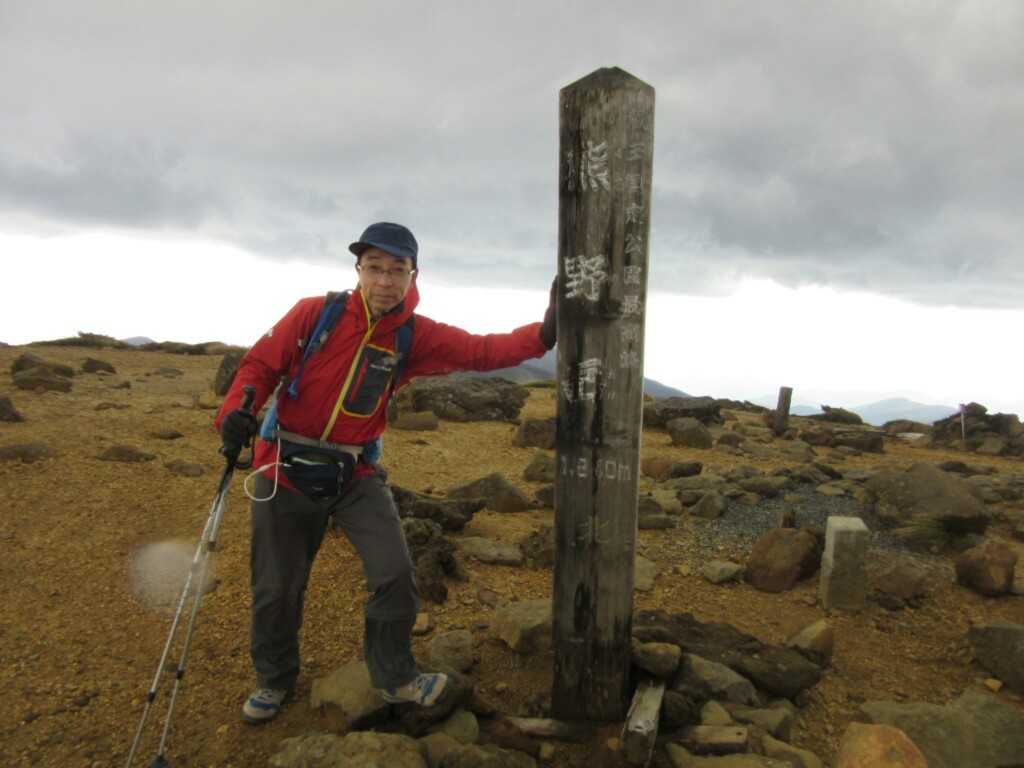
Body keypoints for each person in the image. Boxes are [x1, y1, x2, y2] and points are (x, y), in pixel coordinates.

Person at [216, 222, 556, 723]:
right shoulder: (316, 314)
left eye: (397, 270)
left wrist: (544, 334)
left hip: (355, 472)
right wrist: (235, 414)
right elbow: (260, 367)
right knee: (276, 587)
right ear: (358, 269)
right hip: (283, 467)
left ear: (414, 275)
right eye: (374, 267)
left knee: (395, 573)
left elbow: (481, 350)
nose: (384, 280)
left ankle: (396, 676)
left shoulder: (413, 335)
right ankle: (274, 679)